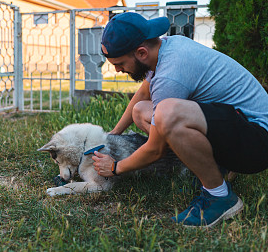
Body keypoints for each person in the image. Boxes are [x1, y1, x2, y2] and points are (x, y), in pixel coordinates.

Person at [92, 12, 268, 227]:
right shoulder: (166, 47)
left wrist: (115, 167)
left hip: (257, 143)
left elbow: (154, 150)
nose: (118, 70)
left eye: (119, 63)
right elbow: (142, 95)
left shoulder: (170, 74)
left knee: (166, 113)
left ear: (141, 52)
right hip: (237, 127)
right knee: (141, 110)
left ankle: (219, 196)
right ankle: (215, 167)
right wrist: (113, 135)